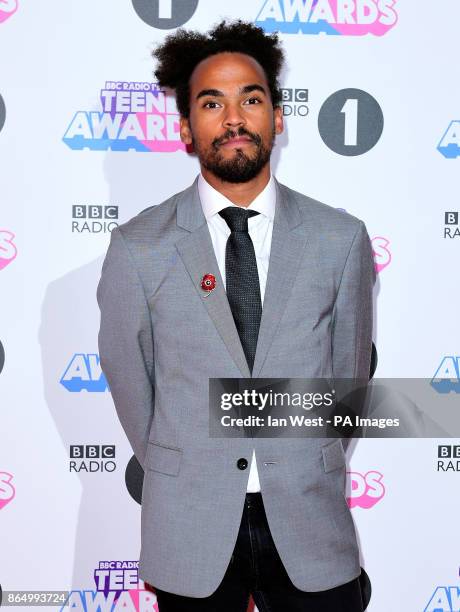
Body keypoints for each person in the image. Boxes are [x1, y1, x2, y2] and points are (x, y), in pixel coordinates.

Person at [97, 19, 375, 612]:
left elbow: (349, 382)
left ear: (277, 116)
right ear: (185, 129)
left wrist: (306, 455)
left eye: (251, 98)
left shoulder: (341, 239)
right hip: (189, 524)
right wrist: (186, 463)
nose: (233, 119)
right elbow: (130, 382)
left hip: (309, 518)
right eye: (211, 103)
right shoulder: (138, 246)